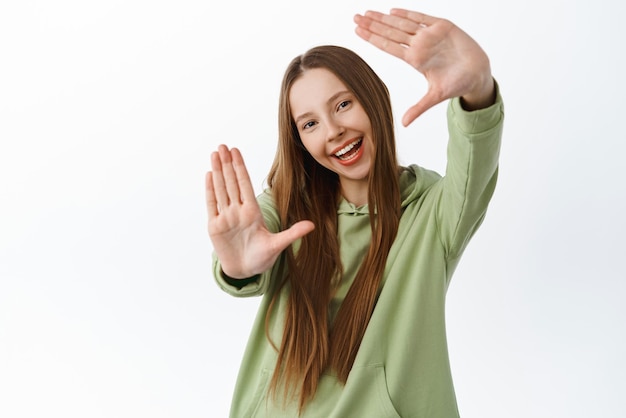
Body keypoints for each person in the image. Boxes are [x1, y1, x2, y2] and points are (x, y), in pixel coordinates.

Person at [206, 8, 503, 418]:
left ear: (374, 97)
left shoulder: (432, 211)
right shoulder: (287, 210)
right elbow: (253, 243)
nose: (332, 131)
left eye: (342, 104)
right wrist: (238, 268)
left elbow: (473, 169)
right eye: (309, 124)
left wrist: (478, 91)